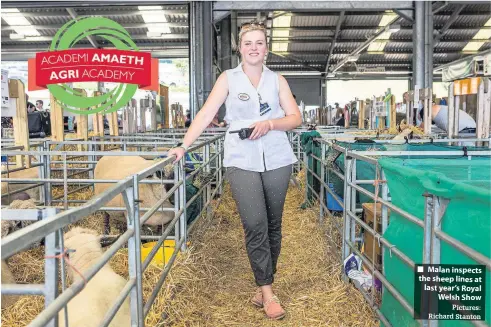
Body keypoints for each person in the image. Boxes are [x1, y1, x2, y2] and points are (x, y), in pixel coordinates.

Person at [167, 20, 302, 320]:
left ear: (266, 48)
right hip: (241, 158)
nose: (254, 48)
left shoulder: (277, 80)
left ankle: (264, 283)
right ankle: (268, 293)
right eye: (248, 43)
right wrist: (184, 145)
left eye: (259, 43)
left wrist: (270, 123)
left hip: (278, 157)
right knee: (255, 223)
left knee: (273, 224)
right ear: (239, 47)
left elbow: (295, 118)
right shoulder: (228, 78)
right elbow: (205, 114)